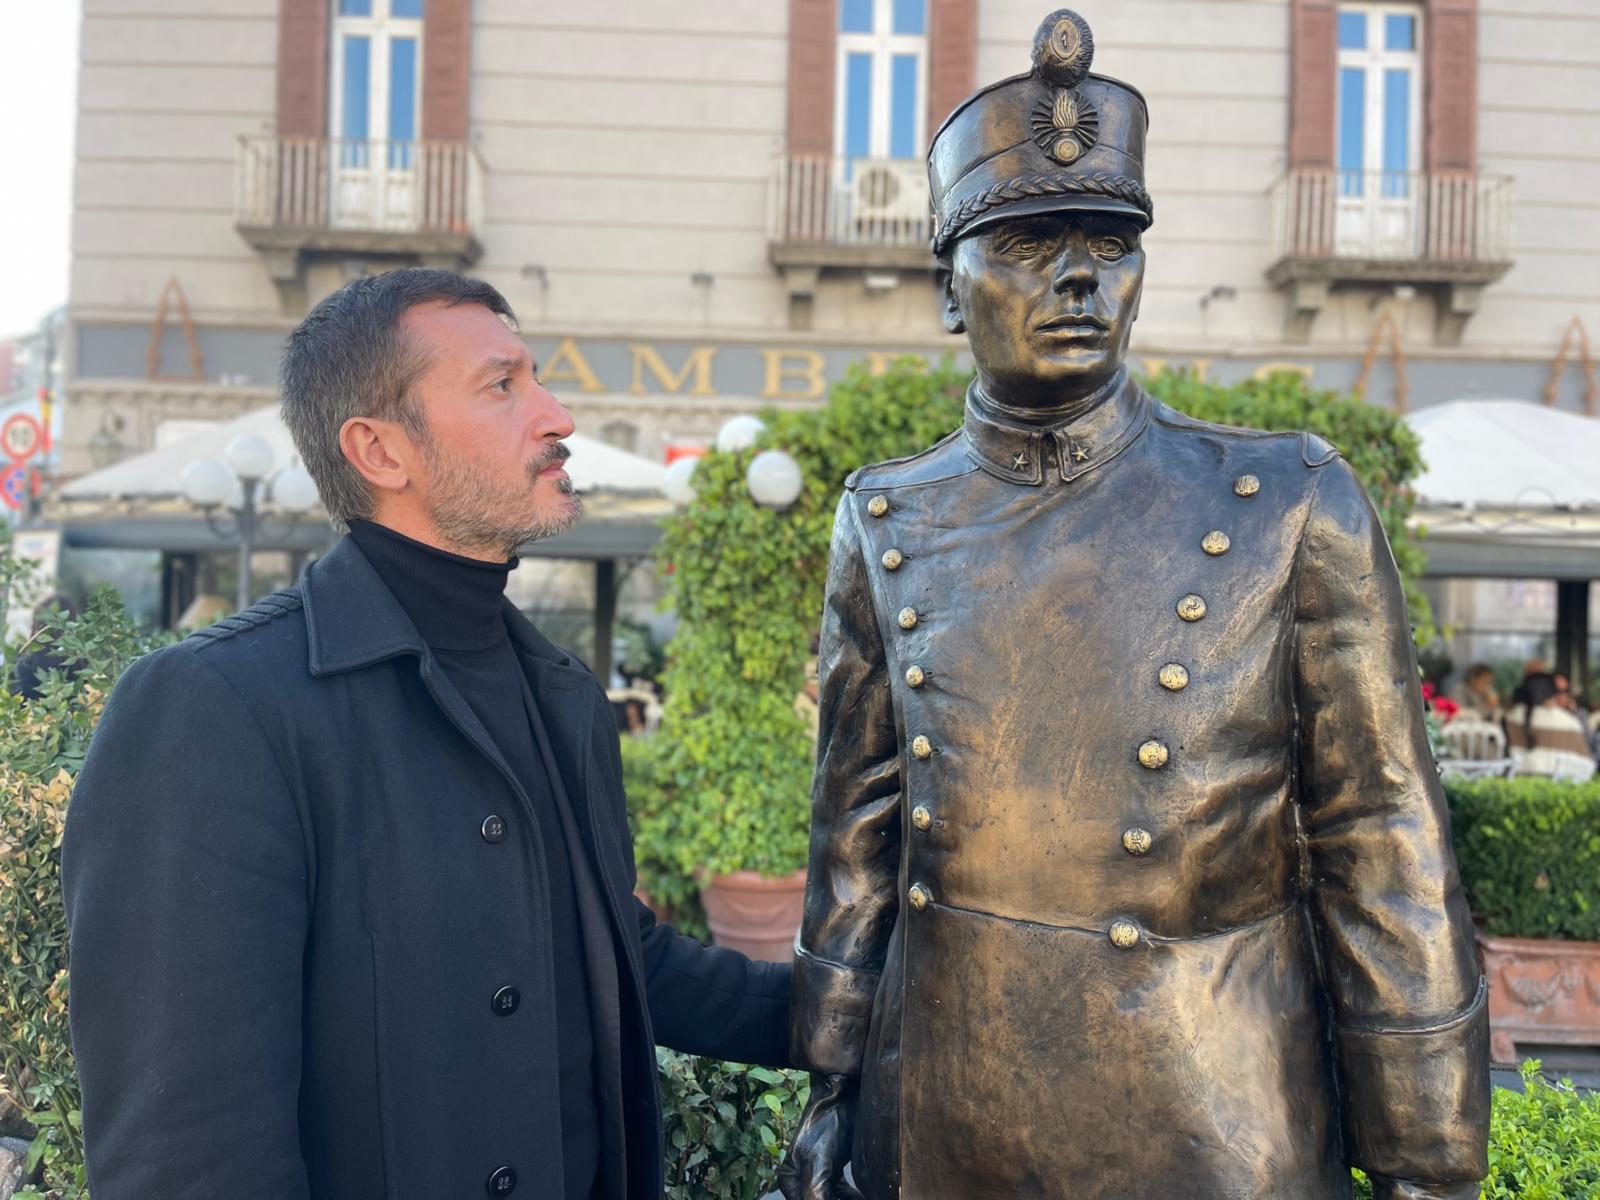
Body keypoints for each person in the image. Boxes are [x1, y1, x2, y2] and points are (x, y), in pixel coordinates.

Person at [780, 11, 1488, 1200]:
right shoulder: (888, 520)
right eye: (1023, 243)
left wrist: (1429, 1159)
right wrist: (827, 1088)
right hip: (944, 1117)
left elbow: (1384, 842)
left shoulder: (1286, 505)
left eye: (1107, 245)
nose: (1074, 277)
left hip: (1212, 1118)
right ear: (948, 292)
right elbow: (851, 845)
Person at [63, 269, 791, 1200]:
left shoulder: (562, 694)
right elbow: (188, 1158)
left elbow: (612, 952)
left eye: (537, 379)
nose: (557, 414)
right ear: (379, 449)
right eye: (503, 385)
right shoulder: (213, 706)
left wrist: (867, 1000)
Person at [1503, 671, 1596, 780]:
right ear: (1552, 695)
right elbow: (1586, 767)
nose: (1563, 696)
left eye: (1566, 691)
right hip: (1560, 788)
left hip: (1517, 783)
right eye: (1559, 692)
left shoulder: (1511, 717)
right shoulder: (1569, 723)